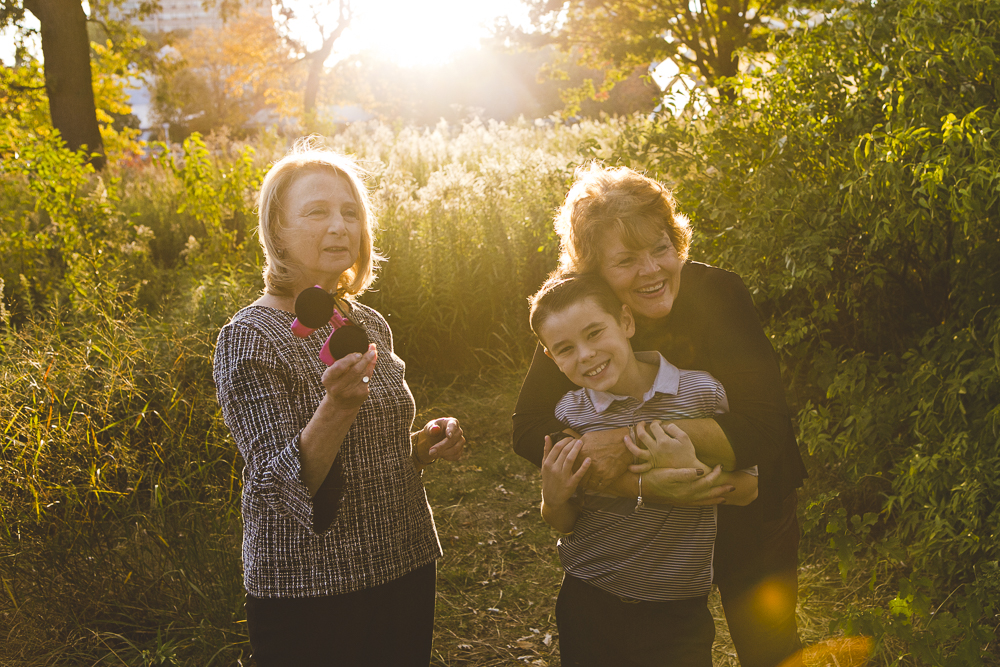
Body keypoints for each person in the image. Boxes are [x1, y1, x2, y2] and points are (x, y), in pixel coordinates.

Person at [513, 164, 808, 667]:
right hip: (649, 542)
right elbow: (529, 428)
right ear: (591, 271)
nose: (651, 271)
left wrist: (624, 440)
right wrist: (640, 485)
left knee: (771, 648)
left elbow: (765, 428)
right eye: (626, 259)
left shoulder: (720, 295)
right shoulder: (584, 312)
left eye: (661, 248)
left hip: (746, 510)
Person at [213, 140, 465, 666]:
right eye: (317, 212)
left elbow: (374, 447)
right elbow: (278, 485)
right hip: (311, 592)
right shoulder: (250, 336)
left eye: (350, 213)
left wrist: (419, 446)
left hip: (403, 561)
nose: (339, 226)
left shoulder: (369, 323)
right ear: (277, 232)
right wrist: (337, 408)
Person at [530, 272, 758, 667]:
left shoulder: (702, 393)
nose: (585, 354)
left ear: (626, 322)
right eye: (565, 348)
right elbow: (563, 521)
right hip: (588, 599)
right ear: (551, 358)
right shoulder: (570, 414)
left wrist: (691, 472)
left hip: (677, 611)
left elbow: (750, 489)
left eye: (595, 333)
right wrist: (553, 498)